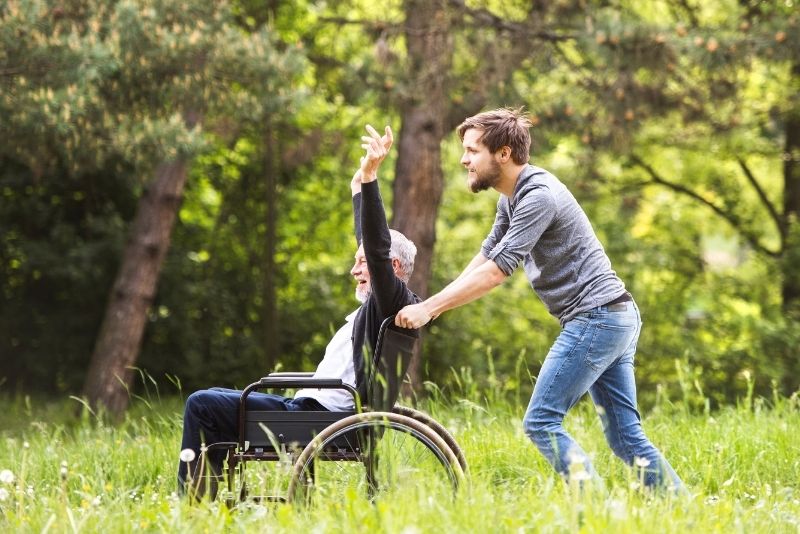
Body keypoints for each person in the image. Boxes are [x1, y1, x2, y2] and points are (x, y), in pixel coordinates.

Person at [395, 108, 683, 492]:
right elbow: (486, 256)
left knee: (541, 421)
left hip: (597, 317)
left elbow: (498, 271)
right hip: (615, 315)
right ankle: (680, 507)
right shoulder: (511, 198)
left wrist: (428, 310)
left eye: (472, 150)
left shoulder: (538, 197)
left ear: (503, 154)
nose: (464, 159)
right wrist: (430, 305)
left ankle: (596, 510)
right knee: (625, 437)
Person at [178, 124, 419, 492]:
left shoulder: (390, 301)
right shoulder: (382, 307)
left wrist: (371, 178)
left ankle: (193, 503)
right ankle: (207, 495)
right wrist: (358, 185)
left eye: (362, 262)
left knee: (203, 404)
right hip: (315, 414)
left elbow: (375, 246)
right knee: (215, 403)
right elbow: (369, 242)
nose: (354, 269)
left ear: (392, 267)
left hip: (319, 421)